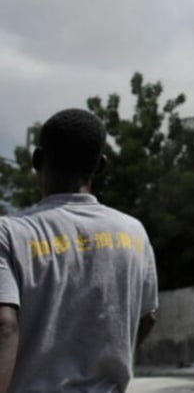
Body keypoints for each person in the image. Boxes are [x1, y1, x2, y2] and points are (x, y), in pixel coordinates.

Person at [0, 108, 159, 392]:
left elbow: (5, 325)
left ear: (37, 160)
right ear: (100, 166)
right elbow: (148, 316)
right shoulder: (134, 233)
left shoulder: (10, 233)